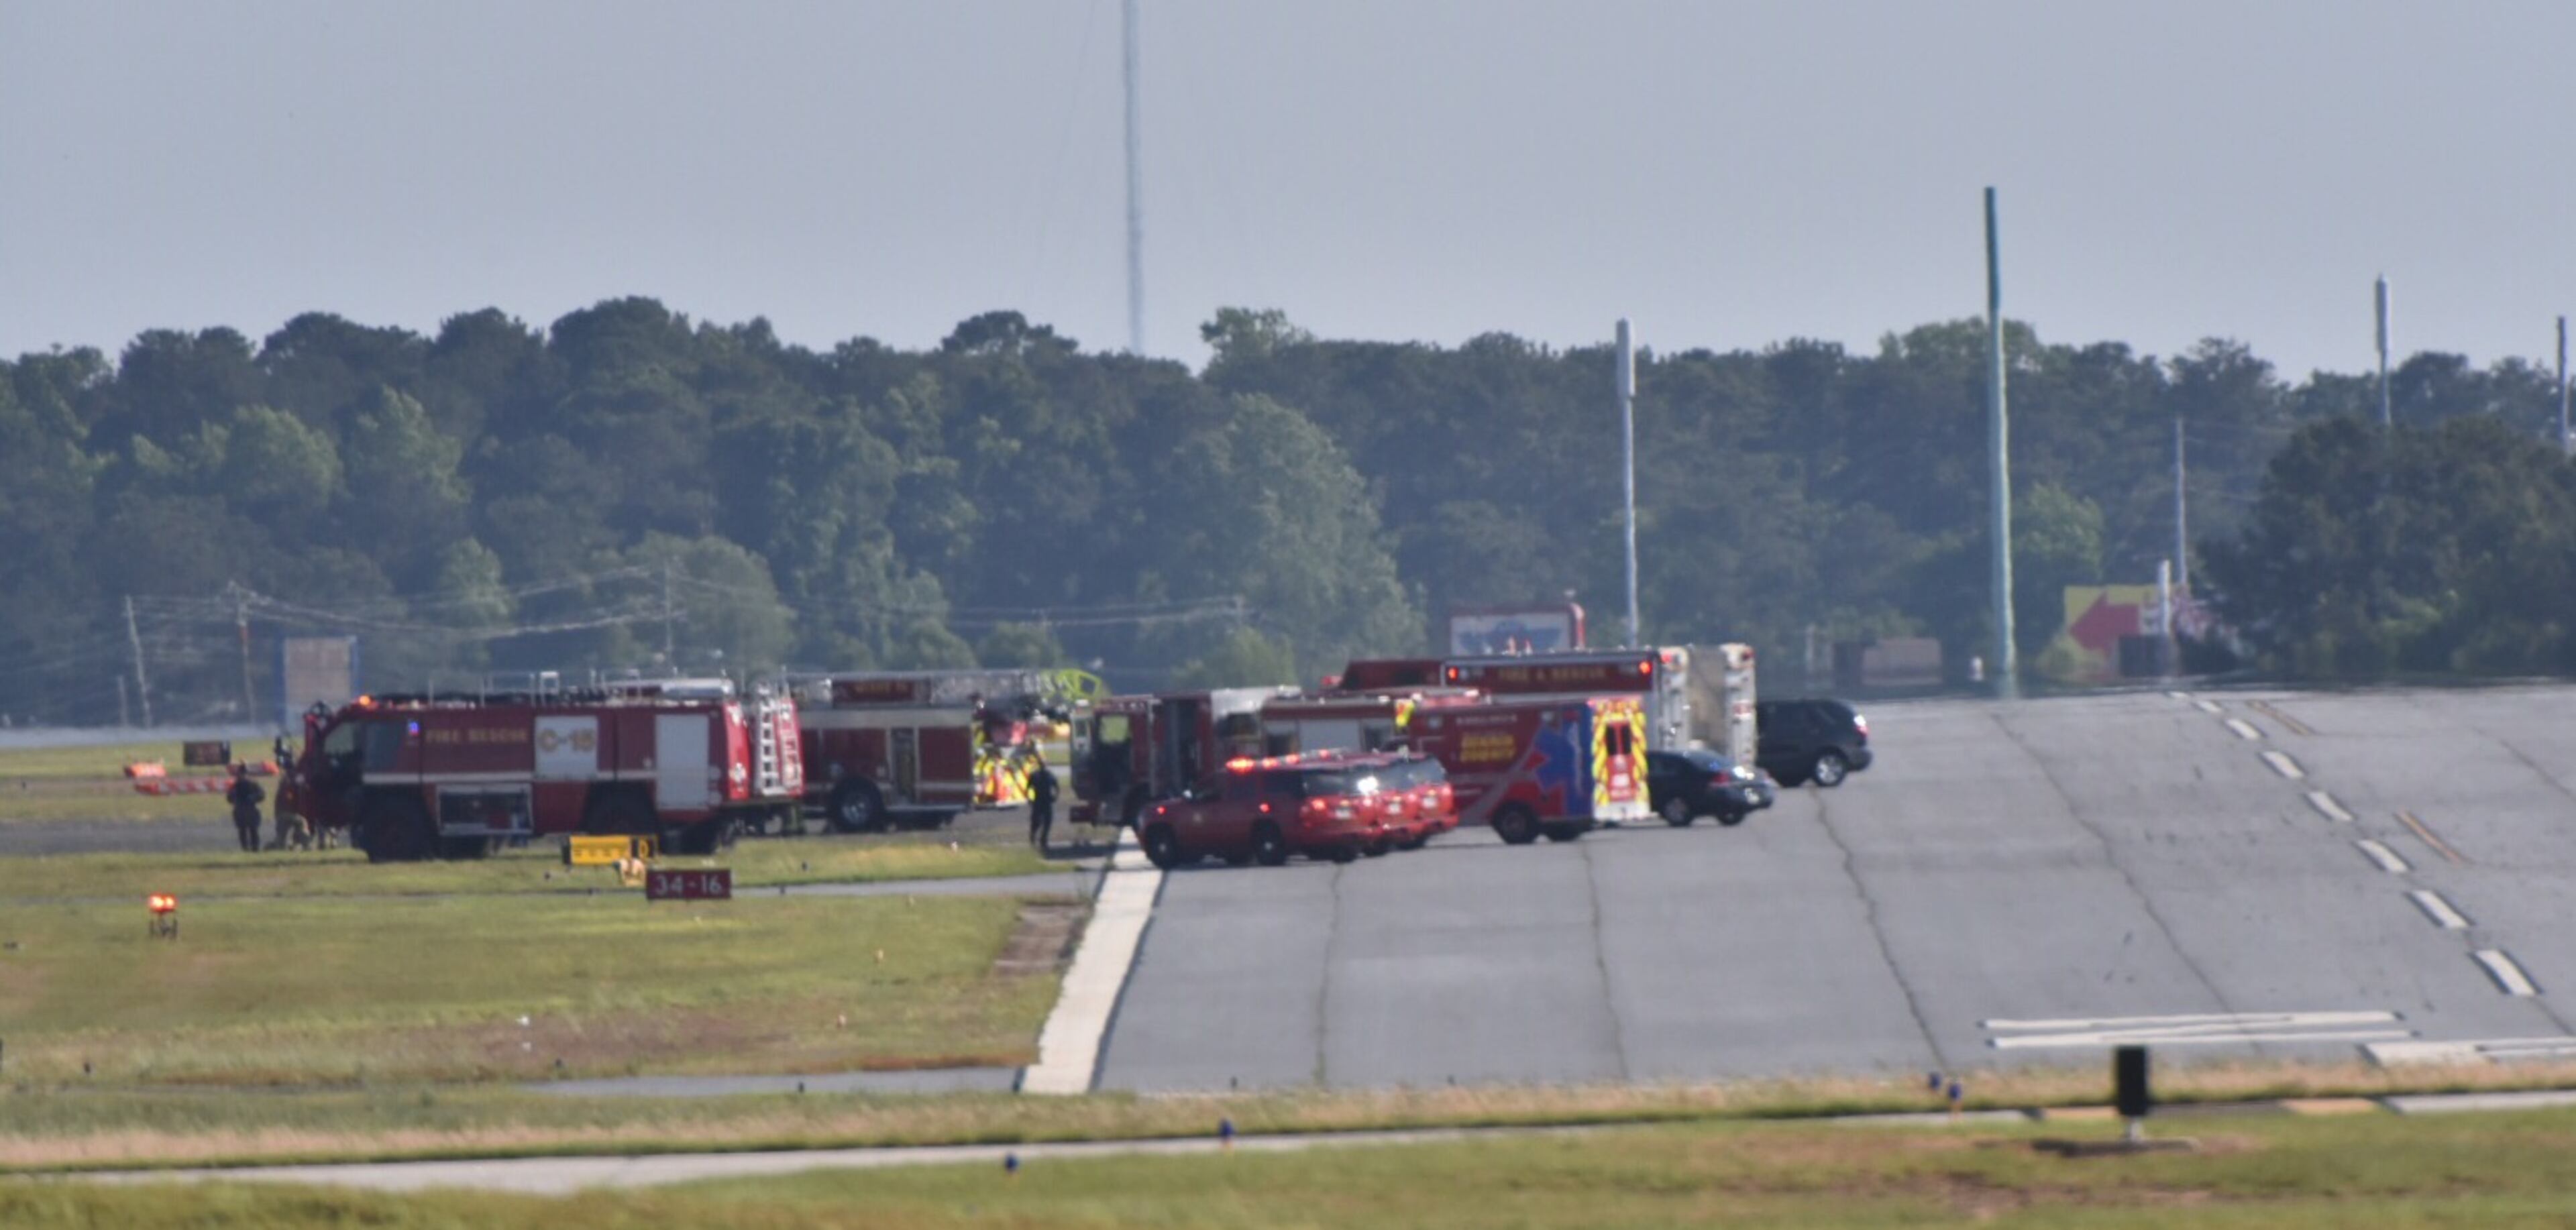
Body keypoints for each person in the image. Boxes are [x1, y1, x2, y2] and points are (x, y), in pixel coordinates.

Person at [225, 764, 266, 853]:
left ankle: (255, 848)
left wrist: (253, 798)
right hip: (241, 809)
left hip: (251, 809)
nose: (242, 776)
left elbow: (262, 795)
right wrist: (235, 798)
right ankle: (245, 848)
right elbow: (229, 798)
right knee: (242, 830)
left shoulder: (253, 784)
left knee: (253, 830)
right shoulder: (236, 786)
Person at [1026, 759, 1058, 850]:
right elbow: (1029, 788)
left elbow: (1056, 787)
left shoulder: (1050, 775)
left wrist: (1055, 797)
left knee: (1048, 822)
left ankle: (1043, 840)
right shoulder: (1035, 776)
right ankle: (1033, 837)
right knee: (1036, 822)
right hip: (1038, 801)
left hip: (1046, 801)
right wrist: (1030, 799)